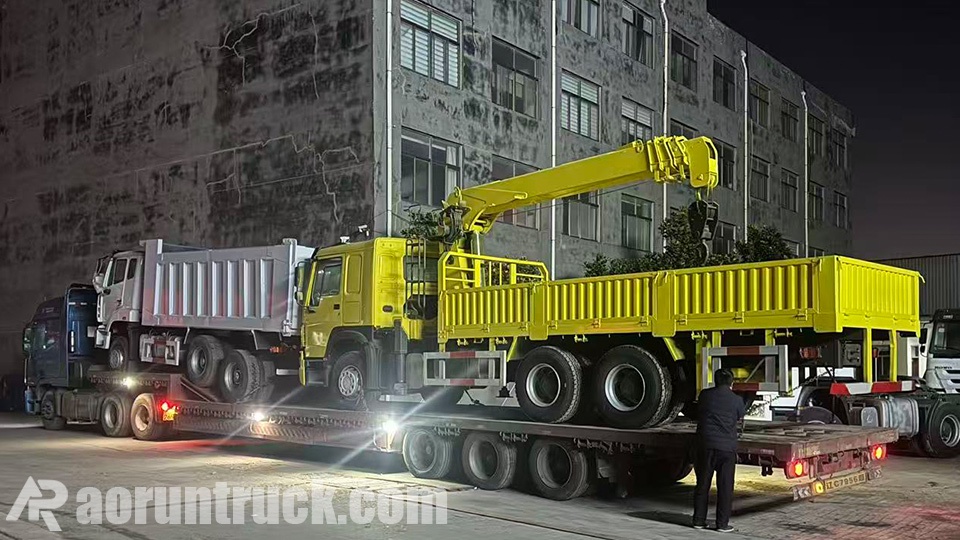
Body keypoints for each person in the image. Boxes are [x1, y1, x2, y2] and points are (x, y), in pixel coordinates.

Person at [692, 368, 745, 533]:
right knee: (725, 487)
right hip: (726, 449)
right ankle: (722, 524)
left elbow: (699, 411)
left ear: (715, 381)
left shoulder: (705, 395)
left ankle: (698, 521)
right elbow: (740, 417)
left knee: (702, 484)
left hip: (705, 446)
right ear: (732, 383)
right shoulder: (736, 400)